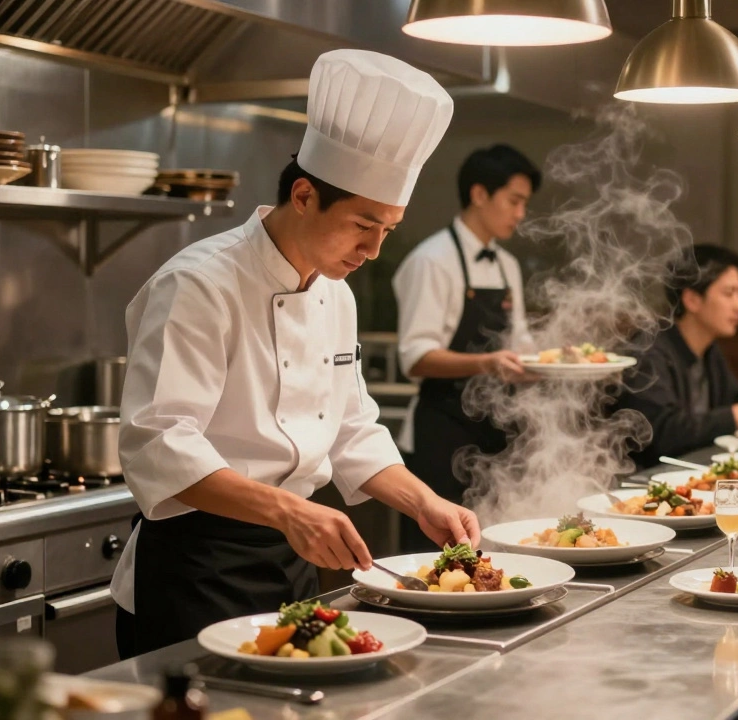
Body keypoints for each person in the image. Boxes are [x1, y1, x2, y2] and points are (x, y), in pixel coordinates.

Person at [113, 50, 480, 658]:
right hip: (196, 567)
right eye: (364, 225)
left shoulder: (335, 294)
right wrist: (288, 511)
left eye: (387, 230)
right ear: (305, 195)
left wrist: (426, 502)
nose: (374, 249)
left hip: (292, 562)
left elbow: (351, 430)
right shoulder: (201, 282)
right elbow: (158, 441)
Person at [392, 145, 540, 549]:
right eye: (514, 201)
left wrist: (553, 361)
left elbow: (520, 341)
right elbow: (416, 358)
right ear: (479, 194)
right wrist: (488, 362)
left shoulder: (508, 264)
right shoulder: (431, 261)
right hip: (440, 437)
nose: (521, 214)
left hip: (495, 435)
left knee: (493, 551)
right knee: (435, 557)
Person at [617, 245, 738, 466]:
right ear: (692, 299)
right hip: (644, 482)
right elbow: (661, 434)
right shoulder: (648, 350)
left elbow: (736, 401)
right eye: (729, 293)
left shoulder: (708, 350)